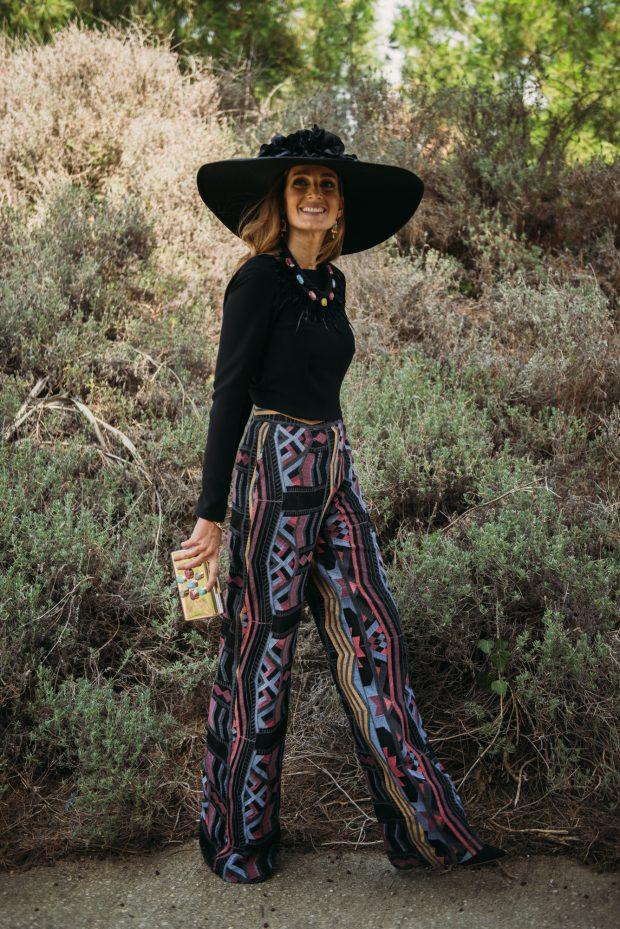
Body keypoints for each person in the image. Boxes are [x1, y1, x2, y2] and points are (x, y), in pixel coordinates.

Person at [180, 124, 506, 883]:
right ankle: (239, 840)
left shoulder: (332, 283)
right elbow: (229, 394)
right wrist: (210, 514)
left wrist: (333, 465)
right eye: (301, 183)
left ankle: (429, 832)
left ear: (339, 204)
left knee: (374, 637)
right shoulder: (256, 281)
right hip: (273, 469)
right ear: (280, 198)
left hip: (333, 468)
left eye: (326, 185)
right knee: (262, 651)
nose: (316, 195)